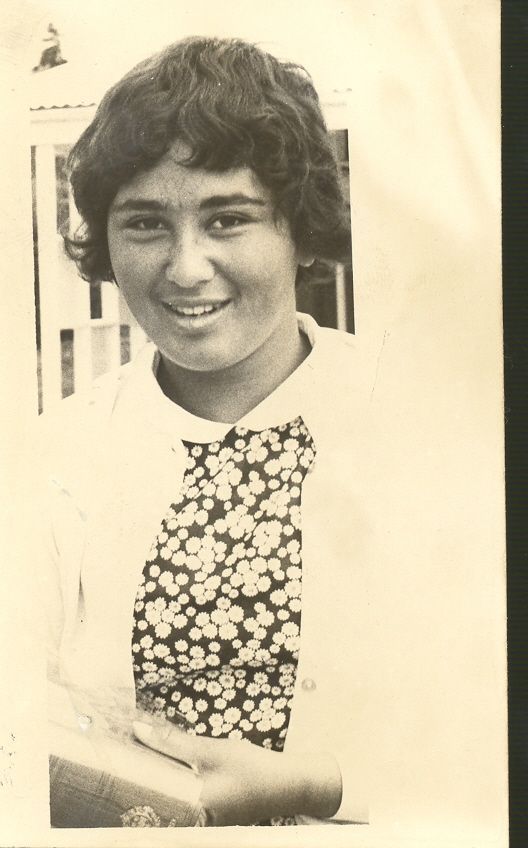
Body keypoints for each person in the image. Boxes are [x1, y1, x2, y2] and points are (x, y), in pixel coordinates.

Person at [35, 36, 377, 827]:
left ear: (300, 230)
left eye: (228, 219)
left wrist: (319, 783)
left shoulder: (421, 419)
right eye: (146, 224)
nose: (186, 268)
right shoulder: (53, 456)